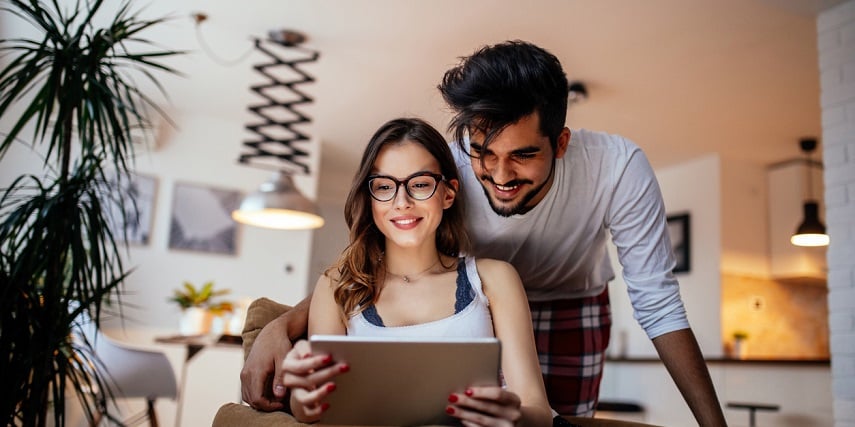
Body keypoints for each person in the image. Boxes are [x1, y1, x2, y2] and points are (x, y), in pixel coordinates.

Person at [240, 41, 727, 426]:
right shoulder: (442, 169)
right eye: (484, 153)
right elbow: (376, 259)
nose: (498, 174)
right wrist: (281, 327)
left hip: (571, 301)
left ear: (560, 143)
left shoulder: (617, 169)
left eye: (522, 155)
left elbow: (658, 301)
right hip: (474, 297)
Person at [280, 117, 553, 426]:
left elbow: (538, 412)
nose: (401, 202)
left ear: (448, 193)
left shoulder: (494, 279)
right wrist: (302, 398)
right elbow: (315, 408)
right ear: (369, 198)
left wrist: (514, 419)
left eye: (420, 184)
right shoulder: (336, 287)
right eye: (384, 186)